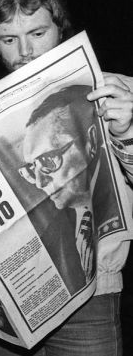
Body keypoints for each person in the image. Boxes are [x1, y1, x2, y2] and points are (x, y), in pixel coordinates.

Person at [0, 0, 133, 356]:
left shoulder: (114, 90)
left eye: (37, 33)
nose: (25, 51)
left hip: (93, 294)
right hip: (16, 299)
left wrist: (127, 132)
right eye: (9, 39)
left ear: (60, 28)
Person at [20, 84, 119, 294]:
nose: (39, 181)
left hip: (103, 292)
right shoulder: (53, 224)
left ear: (90, 141)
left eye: (47, 160)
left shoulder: (115, 98)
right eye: (31, 168)